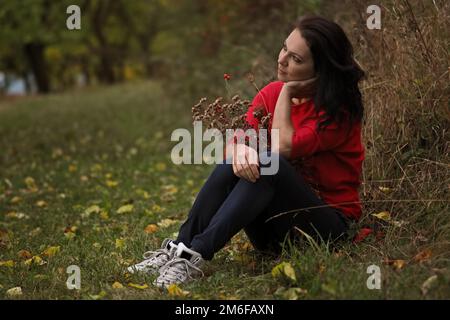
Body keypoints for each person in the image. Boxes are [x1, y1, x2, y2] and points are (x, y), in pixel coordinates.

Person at [128, 15, 365, 288]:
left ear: (321, 71)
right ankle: (179, 248)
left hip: (327, 230)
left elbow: (282, 148)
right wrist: (239, 150)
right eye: (284, 48)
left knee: (268, 163)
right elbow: (237, 140)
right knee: (240, 160)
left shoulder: (338, 113)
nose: (282, 59)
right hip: (273, 235)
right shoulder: (269, 92)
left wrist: (287, 94)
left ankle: (196, 256)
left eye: (296, 59)